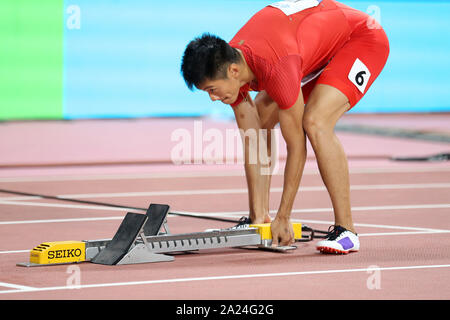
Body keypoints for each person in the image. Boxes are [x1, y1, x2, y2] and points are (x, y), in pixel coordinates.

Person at [181, 0, 389, 254]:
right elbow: (253, 138)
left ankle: (346, 230)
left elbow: (296, 147)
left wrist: (284, 216)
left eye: (212, 90)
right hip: (309, 48)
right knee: (261, 119)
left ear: (233, 71)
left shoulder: (276, 66)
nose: (213, 98)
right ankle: (259, 214)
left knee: (314, 121)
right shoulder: (232, 66)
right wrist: (259, 219)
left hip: (360, 39)